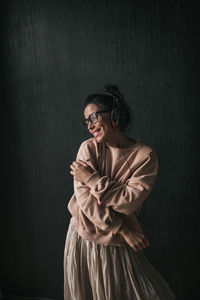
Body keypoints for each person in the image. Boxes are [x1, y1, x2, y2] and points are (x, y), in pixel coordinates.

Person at [63, 85, 176, 300]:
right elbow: (85, 202)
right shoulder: (88, 149)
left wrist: (92, 178)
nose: (89, 125)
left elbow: (129, 202)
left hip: (117, 244)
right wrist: (123, 230)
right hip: (83, 238)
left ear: (114, 114)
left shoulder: (145, 157)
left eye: (94, 117)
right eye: (86, 121)